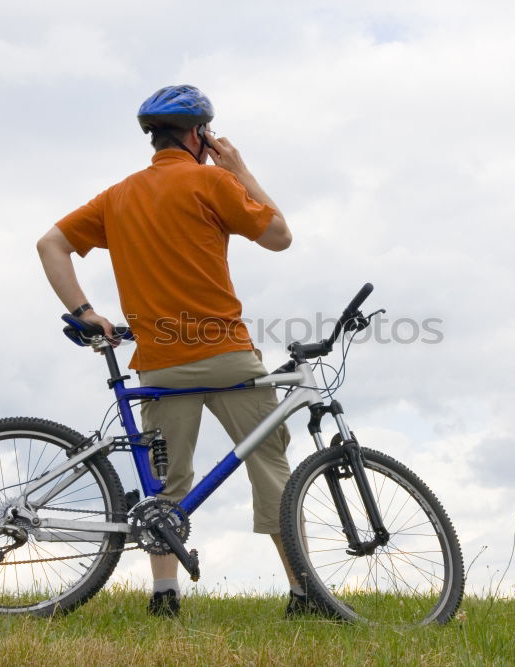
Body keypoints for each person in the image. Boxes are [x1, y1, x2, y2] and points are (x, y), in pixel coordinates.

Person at [37, 85, 322, 619]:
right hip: (225, 353)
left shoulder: (117, 196)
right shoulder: (212, 180)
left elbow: (49, 243)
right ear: (199, 135)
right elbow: (280, 236)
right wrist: (238, 168)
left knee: (165, 481)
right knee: (271, 466)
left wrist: (84, 312)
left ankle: (164, 598)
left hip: (161, 361)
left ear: (153, 137)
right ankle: (305, 594)